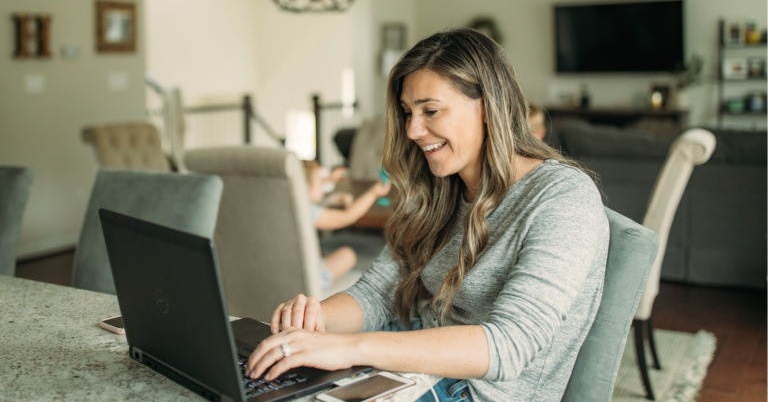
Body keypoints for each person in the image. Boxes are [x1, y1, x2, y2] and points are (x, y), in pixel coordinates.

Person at [246, 28, 609, 402]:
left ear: (487, 106)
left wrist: (350, 347)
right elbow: (377, 294)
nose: (413, 130)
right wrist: (310, 322)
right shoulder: (440, 189)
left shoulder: (563, 197)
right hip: (410, 372)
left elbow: (508, 345)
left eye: (430, 111)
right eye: (407, 113)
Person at [302, 160, 391, 288]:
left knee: (323, 253)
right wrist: (374, 192)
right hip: (310, 278)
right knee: (347, 255)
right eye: (319, 181)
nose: (322, 185)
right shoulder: (308, 209)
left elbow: (312, 190)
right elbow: (348, 216)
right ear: (305, 186)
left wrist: (329, 179)